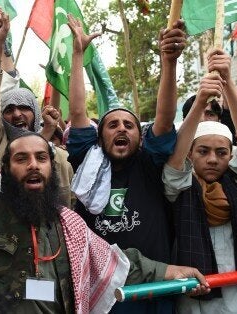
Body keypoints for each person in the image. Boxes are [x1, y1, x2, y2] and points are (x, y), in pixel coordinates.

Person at [0, 23, 208, 313]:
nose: (33, 165)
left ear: (52, 168)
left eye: (41, 159)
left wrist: (171, 271)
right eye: (21, 159)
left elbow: (113, 260)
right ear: (5, 169)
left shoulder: (68, 226)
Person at [67, 17, 187, 314]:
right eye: (112, 124)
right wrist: (78, 55)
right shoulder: (88, 162)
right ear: (99, 135)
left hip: (154, 291)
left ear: (140, 135)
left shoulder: (150, 162)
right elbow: (78, 111)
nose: (121, 129)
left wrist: (168, 63)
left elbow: (164, 115)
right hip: (101, 291)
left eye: (129, 125)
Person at [163, 49, 237, 313]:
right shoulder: (181, 186)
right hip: (195, 299)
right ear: (189, 153)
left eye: (221, 153)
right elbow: (176, 162)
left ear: (231, 155)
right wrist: (199, 102)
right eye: (203, 151)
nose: (212, 159)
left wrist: (228, 81)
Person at [0, 9, 74, 207]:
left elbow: (68, 205)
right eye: (9, 110)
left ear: (35, 113)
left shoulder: (60, 159)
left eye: (24, 108)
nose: (17, 113)